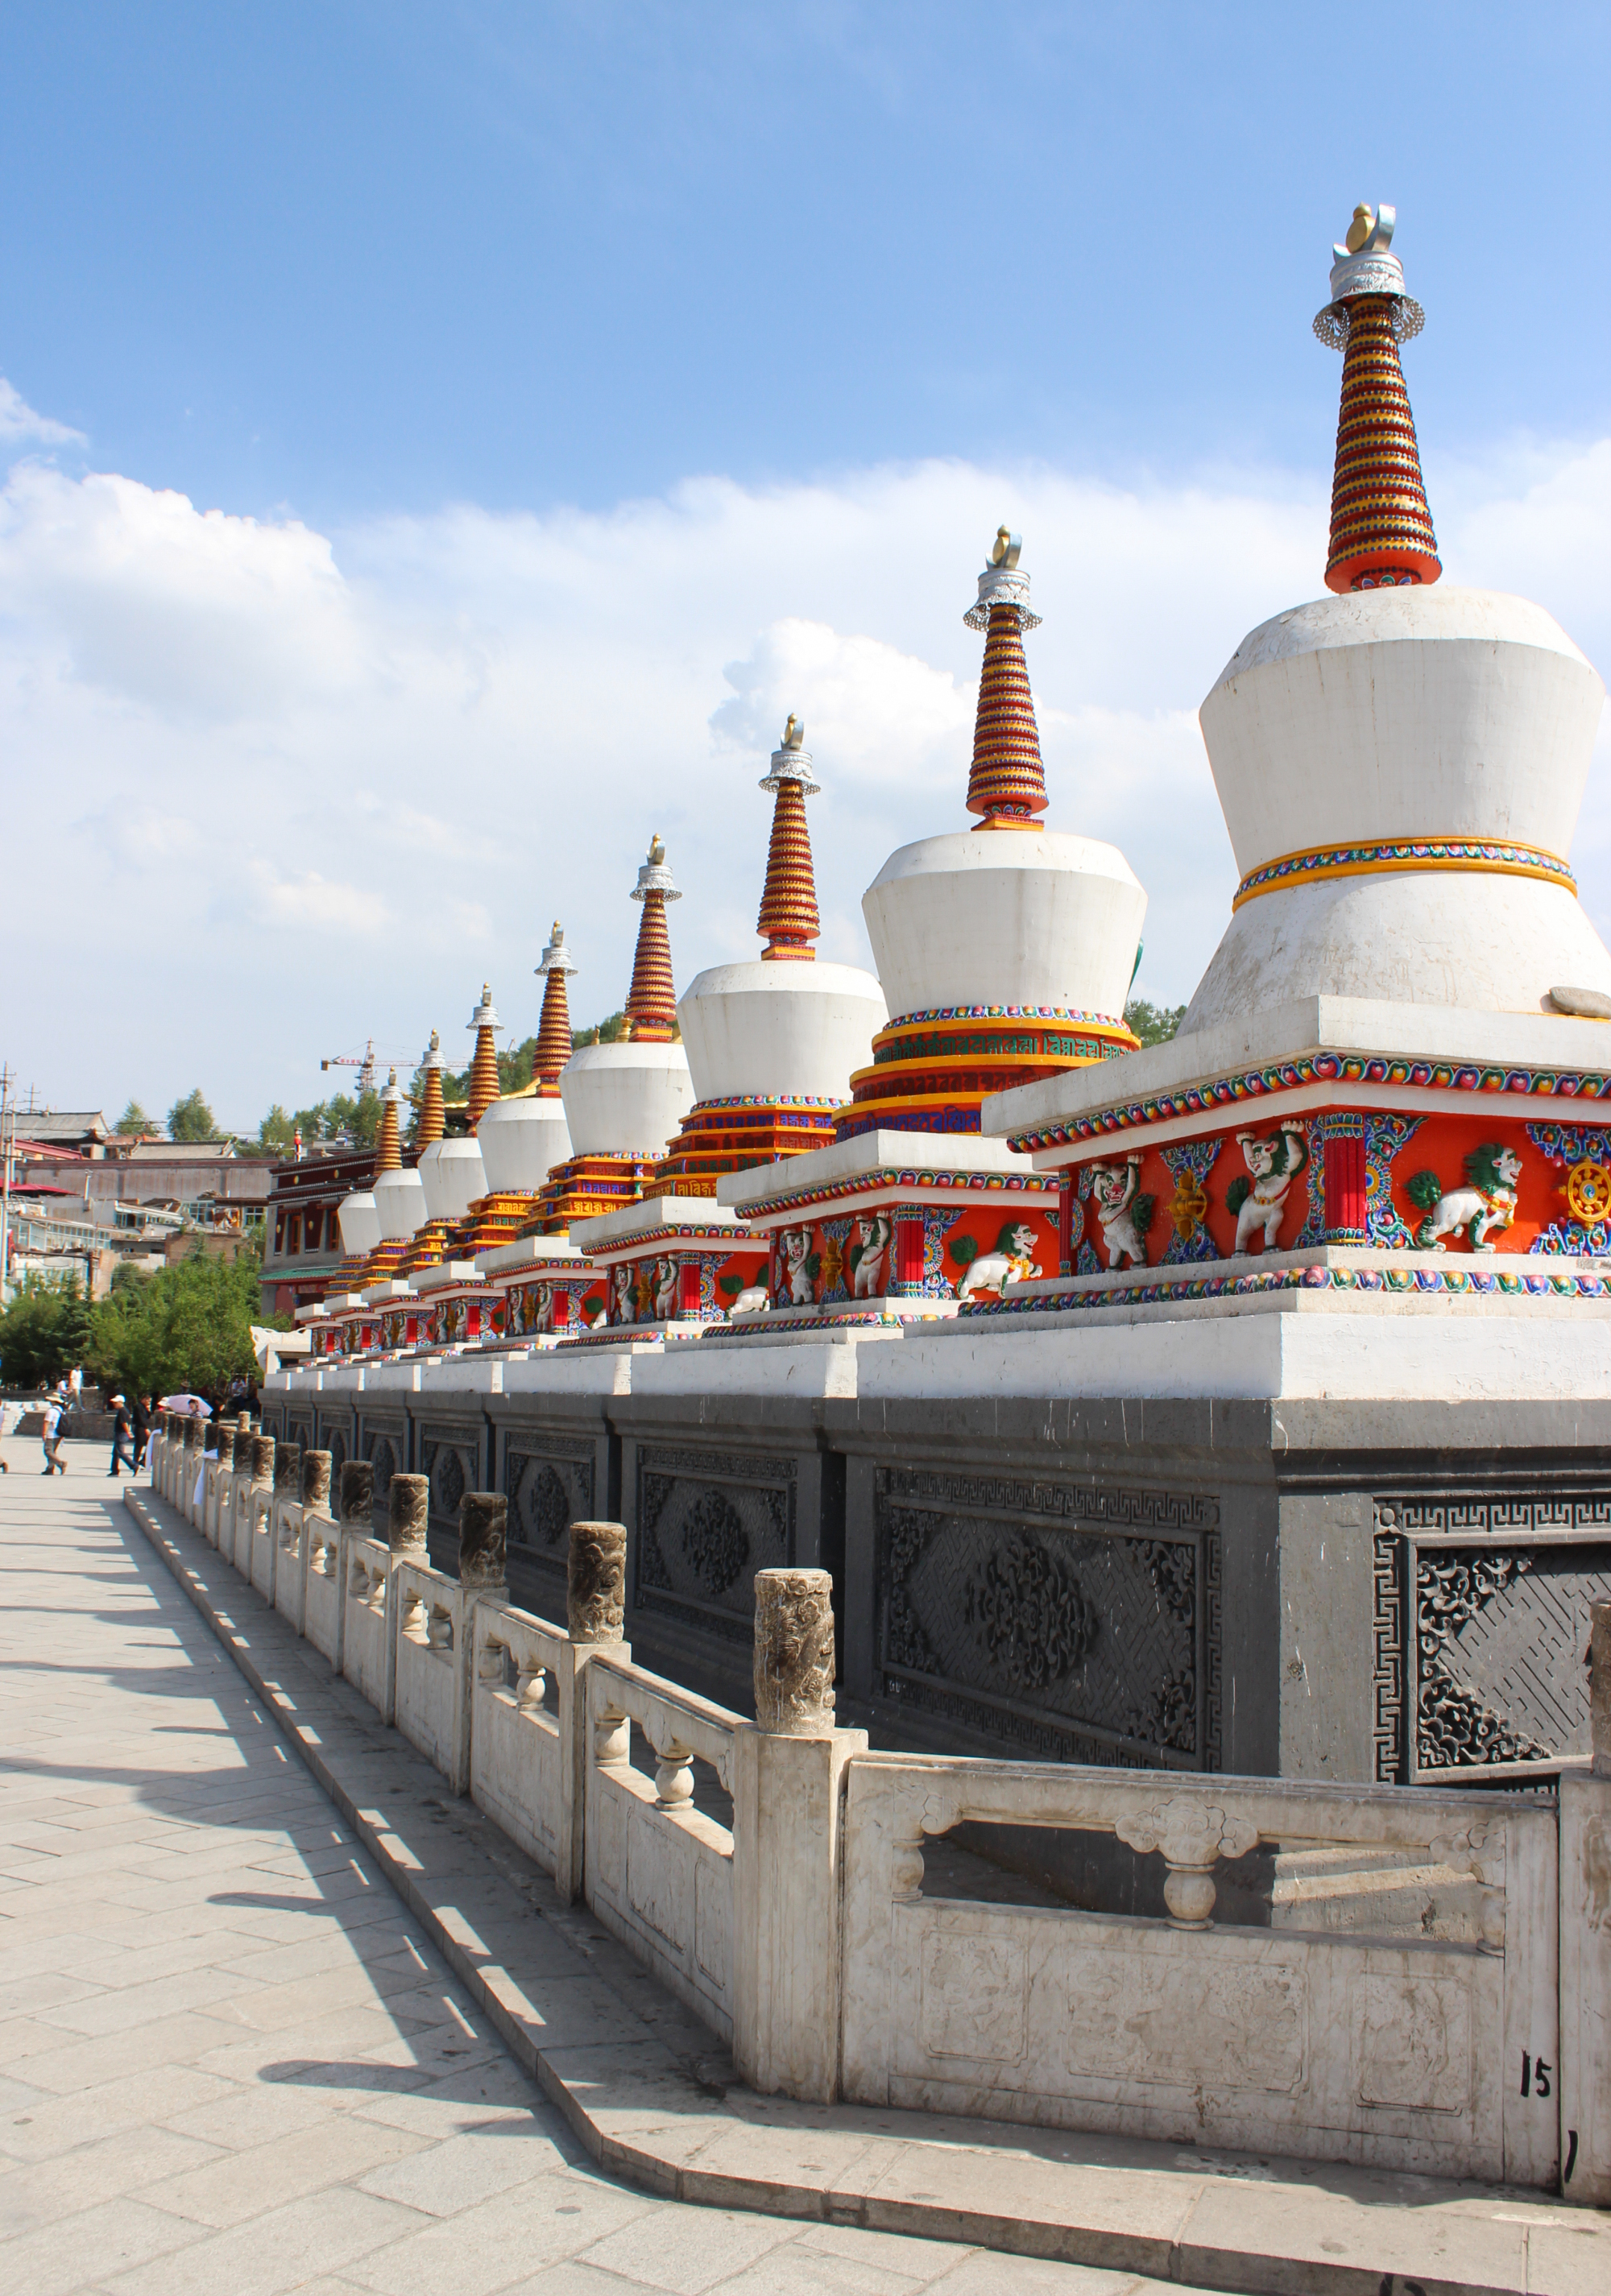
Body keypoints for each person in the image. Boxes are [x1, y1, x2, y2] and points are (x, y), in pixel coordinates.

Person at [109, 1395, 135, 1479]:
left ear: (120, 1403)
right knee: (116, 1453)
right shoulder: (122, 1411)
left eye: (116, 1403)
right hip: (119, 1433)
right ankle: (114, 1471)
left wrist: (128, 1432)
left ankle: (134, 1466)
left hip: (121, 1434)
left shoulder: (122, 1411)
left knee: (120, 1452)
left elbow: (124, 1423)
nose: (114, 1404)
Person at [41, 1393, 66, 1475]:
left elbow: (47, 1422)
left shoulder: (51, 1411)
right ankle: (50, 1468)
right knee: (52, 1452)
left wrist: (44, 1434)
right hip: (58, 1434)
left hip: (51, 1434)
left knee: (48, 1451)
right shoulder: (61, 1410)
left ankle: (61, 1463)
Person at [131, 1393, 152, 1473]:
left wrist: (148, 1410)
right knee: (139, 1445)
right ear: (144, 1399)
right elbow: (140, 1419)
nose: (149, 1403)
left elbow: (147, 1417)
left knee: (149, 1444)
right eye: (148, 1401)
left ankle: (143, 1460)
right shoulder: (138, 1407)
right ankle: (135, 1462)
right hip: (140, 1428)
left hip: (143, 1427)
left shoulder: (144, 1407)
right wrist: (146, 1428)